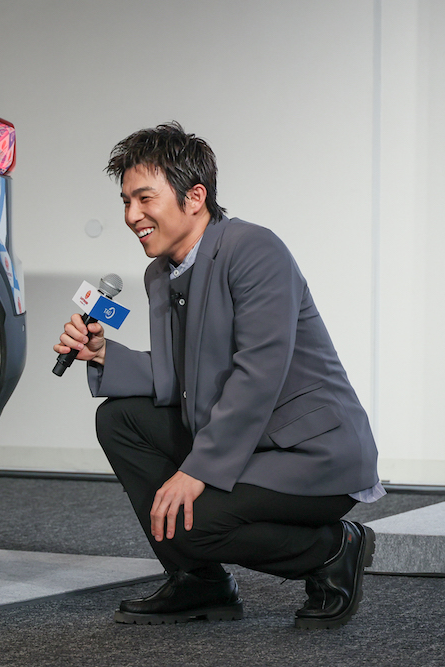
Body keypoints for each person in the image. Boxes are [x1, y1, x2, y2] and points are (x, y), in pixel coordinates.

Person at [54, 122, 384, 629]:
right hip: (246, 445)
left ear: (195, 197)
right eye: (125, 201)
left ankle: (334, 548)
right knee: (119, 419)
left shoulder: (253, 249)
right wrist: (102, 355)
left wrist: (196, 471)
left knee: (189, 524)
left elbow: (258, 374)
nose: (131, 215)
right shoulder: (159, 274)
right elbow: (178, 375)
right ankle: (200, 583)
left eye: (144, 198)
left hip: (310, 452)